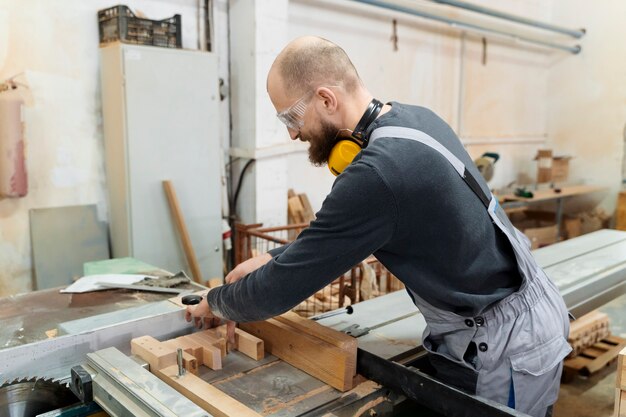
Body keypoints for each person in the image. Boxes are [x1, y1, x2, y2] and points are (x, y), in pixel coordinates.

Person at [186, 36, 571, 417]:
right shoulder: (414, 119)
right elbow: (339, 237)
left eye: (291, 117)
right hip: (517, 311)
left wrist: (217, 301)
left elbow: (276, 294)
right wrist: (268, 258)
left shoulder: (378, 174)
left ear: (325, 99)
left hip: (502, 341)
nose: (291, 133)